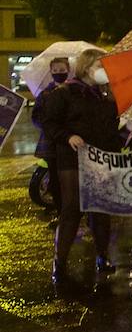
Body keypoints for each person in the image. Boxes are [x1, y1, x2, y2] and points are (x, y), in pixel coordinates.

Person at [39, 48, 120, 290]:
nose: (103, 70)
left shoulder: (105, 96)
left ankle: (103, 255)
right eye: (99, 65)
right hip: (72, 158)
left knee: (100, 208)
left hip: (99, 158)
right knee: (72, 208)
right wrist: (68, 136)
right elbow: (48, 121)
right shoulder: (65, 93)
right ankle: (60, 263)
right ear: (86, 68)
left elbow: (110, 128)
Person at [31, 56, 72, 220]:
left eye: (62, 70)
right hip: (51, 143)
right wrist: (49, 127)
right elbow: (36, 116)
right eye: (55, 71)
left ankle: (73, 213)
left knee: (71, 179)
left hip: (70, 141)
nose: (58, 73)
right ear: (51, 72)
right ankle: (61, 212)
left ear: (68, 70)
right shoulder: (45, 93)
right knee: (55, 179)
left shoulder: (74, 90)